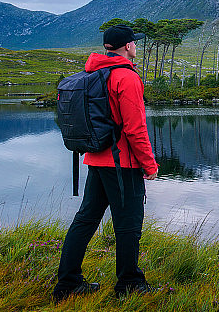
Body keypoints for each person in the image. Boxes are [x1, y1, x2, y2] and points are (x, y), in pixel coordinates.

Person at [52, 24, 160, 302]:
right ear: (127, 46)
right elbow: (135, 129)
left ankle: (67, 284)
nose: (136, 45)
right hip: (122, 163)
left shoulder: (95, 73)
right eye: (134, 42)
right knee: (129, 225)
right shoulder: (127, 77)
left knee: (85, 220)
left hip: (95, 158)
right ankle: (129, 283)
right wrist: (149, 165)